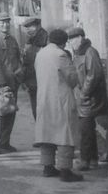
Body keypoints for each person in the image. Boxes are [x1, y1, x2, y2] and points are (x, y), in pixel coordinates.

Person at [34, 29, 83, 182]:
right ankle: (66, 170)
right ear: (63, 42)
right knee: (65, 134)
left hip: (43, 98)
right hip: (60, 99)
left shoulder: (40, 54)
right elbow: (72, 78)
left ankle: (47, 166)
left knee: (46, 133)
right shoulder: (61, 55)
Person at [67, 27, 108, 171]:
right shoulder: (79, 53)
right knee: (88, 129)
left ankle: (85, 160)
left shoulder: (90, 52)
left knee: (85, 130)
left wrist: (84, 93)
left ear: (81, 37)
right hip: (85, 98)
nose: (71, 42)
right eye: (69, 40)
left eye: (73, 39)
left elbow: (94, 75)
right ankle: (92, 160)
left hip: (90, 99)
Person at [0, 12, 24, 154]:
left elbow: (18, 60)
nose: (5, 24)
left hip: (13, 82)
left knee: (10, 112)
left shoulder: (12, 39)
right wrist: (1, 84)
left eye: (7, 21)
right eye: (1, 22)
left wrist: (20, 77)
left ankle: (5, 143)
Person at [21, 17, 48, 120]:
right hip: (32, 80)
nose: (28, 30)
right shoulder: (30, 40)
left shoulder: (45, 40)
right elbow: (26, 61)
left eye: (31, 27)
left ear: (38, 26)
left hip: (42, 80)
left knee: (43, 110)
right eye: (27, 28)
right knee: (36, 109)